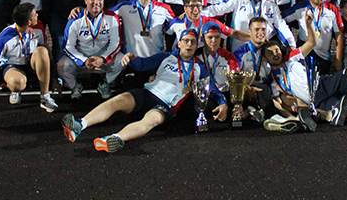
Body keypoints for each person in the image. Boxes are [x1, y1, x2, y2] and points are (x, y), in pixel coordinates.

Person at [61, 28, 227, 153]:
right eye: (186, 41)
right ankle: (79, 124)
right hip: (148, 94)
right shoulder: (165, 57)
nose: (189, 44)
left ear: (197, 45)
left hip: (167, 105)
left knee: (151, 121)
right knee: (118, 100)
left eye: (193, 42)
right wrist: (130, 57)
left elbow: (212, 88)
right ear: (179, 43)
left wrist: (223, 102)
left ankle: (114, 139)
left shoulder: (200, 68)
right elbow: (142, 64)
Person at [0, 3, 58, 114]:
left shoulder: (37, 30)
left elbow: (46, 53)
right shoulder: (4, 37)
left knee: (42, 50)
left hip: (30, 64)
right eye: (35, 14)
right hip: (12, 67)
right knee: (18, 82)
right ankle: (15, 90)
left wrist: (55, 77)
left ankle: (45, 97)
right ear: (29, 22)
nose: (37, 15)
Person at [58, 0, 124, 100]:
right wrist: (84, 60)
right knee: (61, 65)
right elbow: (68, 46)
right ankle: (75, 86)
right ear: (85, 0)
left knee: (122, 60)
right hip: (81, 59)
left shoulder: (112, 18)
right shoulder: (75, 19)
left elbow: (116, 43)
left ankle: (105, 84)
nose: (96, 2)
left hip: (102, 59)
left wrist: (103, 58)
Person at [203, 0, 295, 52]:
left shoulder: (271, 6)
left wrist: (291, 44)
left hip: (262, 49)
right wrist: (200, 13)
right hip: (239, 47)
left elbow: (281, 25)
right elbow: (218, 9)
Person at [283, 0, 343, 75]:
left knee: (322, 82)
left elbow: (339, 35)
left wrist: (338, 59)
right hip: (304, 54)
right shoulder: (300, 7)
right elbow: (281, 20)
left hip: (323, 56)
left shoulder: (332, 9)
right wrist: (288, 43)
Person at [111, 0, 175, 58]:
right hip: (132, 59)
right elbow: (106, 15)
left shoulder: (164, 8)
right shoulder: (124, 7)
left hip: (156, 58)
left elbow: (176, 25)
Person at [166, 0, 247, 49]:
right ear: (185, 8)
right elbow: (168, 36)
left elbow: (233, 33)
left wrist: (252, 37)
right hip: (179, 58)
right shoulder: (175, 22)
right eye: (192, 6)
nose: (195, 10)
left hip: (200, 59)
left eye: (198, 6)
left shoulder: (209, 22)